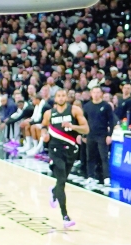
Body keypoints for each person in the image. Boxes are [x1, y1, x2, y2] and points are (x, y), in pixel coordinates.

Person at [41, 88, 89, 229]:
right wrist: (45, 134)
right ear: (55, 98)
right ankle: (65, 216)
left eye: (63, 96)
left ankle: (54, 191)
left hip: (71, 149)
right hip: (55, 150)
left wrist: (72, 126)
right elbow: (43, 126)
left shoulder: (75, 111)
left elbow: (86, 129)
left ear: (67, 97)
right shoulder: (49, 113)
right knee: (61, 180)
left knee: (63, 181)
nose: (61, 98)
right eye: (58, 96)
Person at [82, 85, 115, 188]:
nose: (96, 94)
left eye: (98, 92)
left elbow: (112, 121)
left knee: (103, 157)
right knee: (90, 156)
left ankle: (106, 178)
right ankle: (90, 176)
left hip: (102, 135)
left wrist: (109, 135)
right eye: (94, 92)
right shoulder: (87, 106)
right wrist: (83, 134)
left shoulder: (106, 106)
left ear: (101, 94)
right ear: (91, 94)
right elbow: (84, 121)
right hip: (90, 134)